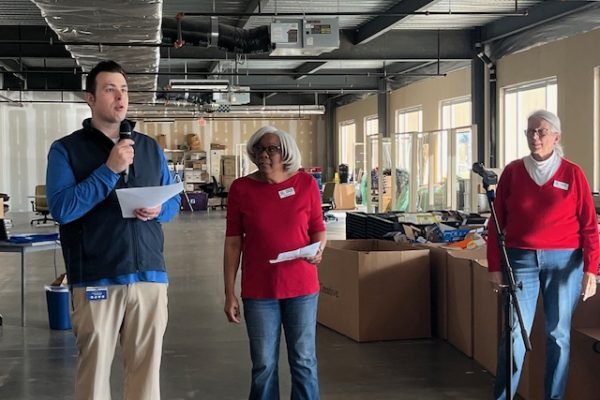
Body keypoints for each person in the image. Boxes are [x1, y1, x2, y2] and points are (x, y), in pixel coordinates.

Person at [46, 60, 180, 400]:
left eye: (124, 90)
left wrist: (159, 208)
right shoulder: (66, 150)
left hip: (149, 276)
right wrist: (109, 170)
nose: (120, 97)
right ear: (90, 99)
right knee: (93, 378)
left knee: (146, 377)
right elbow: (62, 209)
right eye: (110, 90)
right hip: (96, 277)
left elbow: (173, 203)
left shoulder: (149, 148)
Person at [487, 109, 598, 400]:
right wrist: (494, 266)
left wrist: (591, 269)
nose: (534, 137)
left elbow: (589, 225)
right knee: (514, 332)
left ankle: (554, 397)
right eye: (530, 131)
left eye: (541, 131)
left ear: (556, 137)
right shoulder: (513, 172)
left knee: (558, 335)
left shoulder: (572, 173)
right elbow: (495, 222)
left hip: (564, 262)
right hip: (520, 260)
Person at [223, 126, 326, 400]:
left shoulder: (306, 184)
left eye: (271, 149)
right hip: (259, 290)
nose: (264, 155)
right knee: (264, 364)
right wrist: (229, 292)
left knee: (304, 360)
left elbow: (318, 227)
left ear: (286, 152)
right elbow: (233, 243)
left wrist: (319, 249)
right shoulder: (241, 189)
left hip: (301, 287)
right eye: (259, 149)